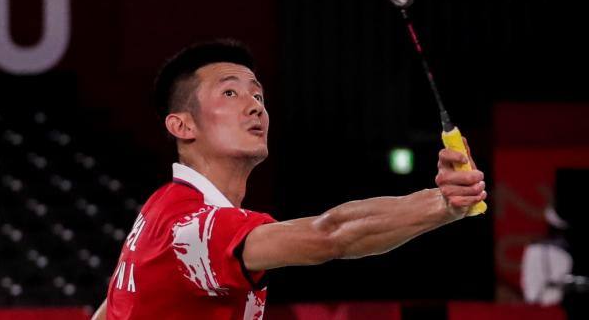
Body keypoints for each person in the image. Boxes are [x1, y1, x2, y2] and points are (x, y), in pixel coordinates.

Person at [91, 40, 487, 319]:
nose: (254, 107)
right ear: (182, 125)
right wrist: (442, 205)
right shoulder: (193, 229)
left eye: (258, 96)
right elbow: (330, 235)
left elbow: (112, 310)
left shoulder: (160, 208)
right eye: (229, 94)